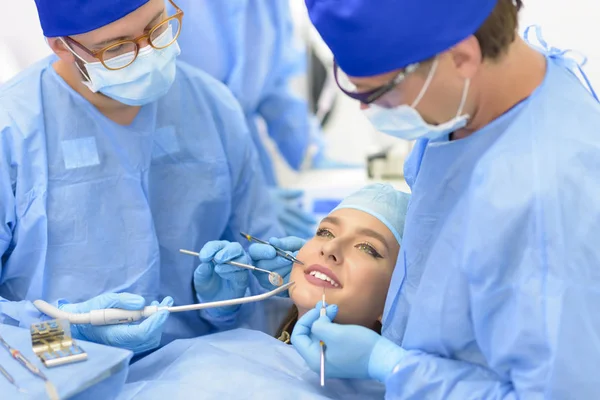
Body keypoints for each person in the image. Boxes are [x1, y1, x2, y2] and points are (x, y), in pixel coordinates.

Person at [253, 0, 600, 398]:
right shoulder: (464, 112)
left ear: (462, 57)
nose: (368, 109)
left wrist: (392, 365)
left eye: (381, 91)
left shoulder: (549, 198)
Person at [0, 0, 283, 356]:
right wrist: (66, 337)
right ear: (62, 45)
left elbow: (265, 273)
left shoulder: (212, 106)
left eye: (157, 27)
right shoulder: (12, 132)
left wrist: (228, 306)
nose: (148, 53)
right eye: (117, 48)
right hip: (60, 378)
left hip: (205, 375)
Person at [120, 183, 409, 399]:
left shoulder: (404, 384)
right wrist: (223, 310)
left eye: (368, 248)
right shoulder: (241, 345)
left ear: (399, 300)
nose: (330, 248)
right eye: (325, 232)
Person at [174, 0, 338, 239]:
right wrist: (237, 194)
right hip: (184, 162)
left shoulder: (269, 5)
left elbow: (274, 87)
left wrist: (310, 154)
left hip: (248, 157)